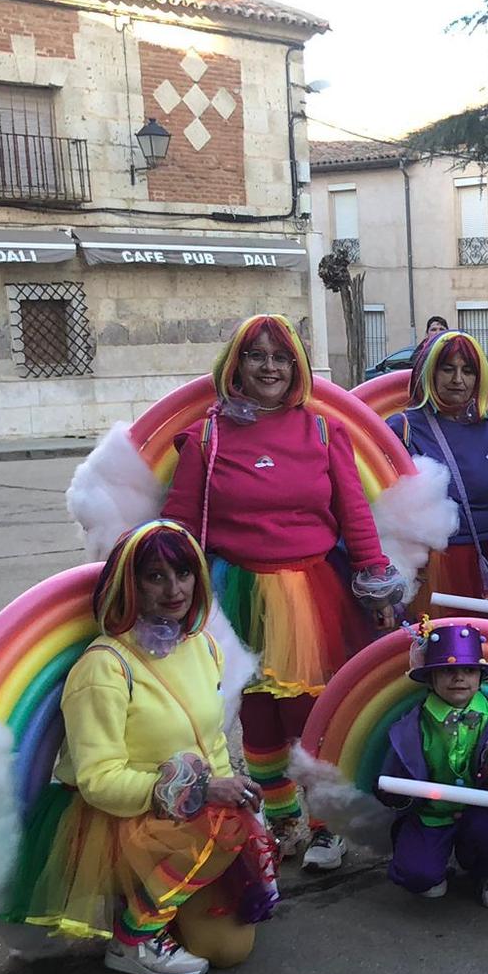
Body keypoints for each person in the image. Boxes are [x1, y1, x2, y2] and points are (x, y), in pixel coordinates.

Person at [161, 314, 402, 874]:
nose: (269, 367)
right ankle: (283, 821)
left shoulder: (323, 430)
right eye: (257, 356)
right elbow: (179, 524)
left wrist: (375, 579)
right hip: (234, 591)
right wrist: (161, 593)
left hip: (311, 592)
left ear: (295, 367)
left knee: (313, 713)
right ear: (236, 366)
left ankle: (325, 826)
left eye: (281, 357)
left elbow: (354, 516)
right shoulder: (207, 435)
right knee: (256, 715)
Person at [19, 519, 277, 974]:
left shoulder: (200, 646)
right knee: (221, 824)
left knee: (230, 949)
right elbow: (98, 780)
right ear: (129, 584)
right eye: (155, 576)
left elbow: (212, 741)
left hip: (187, 822)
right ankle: (132, 937)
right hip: (123, 821)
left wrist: (234, 793)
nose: (174, 589)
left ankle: (167, 896)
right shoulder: (104, 668)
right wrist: (201, 796)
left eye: (183, 573)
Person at [376, 621, 488, 908]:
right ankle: (433, 867)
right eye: (447, 670)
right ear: (431, 679)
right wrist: (393, 794)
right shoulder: (412, 724)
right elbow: (400, 770)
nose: (459, 678)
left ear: (481, 677)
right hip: (431, 814)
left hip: (480, 812)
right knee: (417, 876)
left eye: (469, 670)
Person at [386, 330, 488, 601]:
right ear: (430, 373)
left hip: (485, 570)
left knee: (485, 644)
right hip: (426, 573)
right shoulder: (401, 429)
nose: (458, 380)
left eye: (468, 371)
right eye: (448, 369)